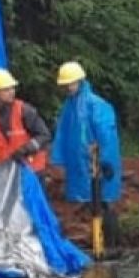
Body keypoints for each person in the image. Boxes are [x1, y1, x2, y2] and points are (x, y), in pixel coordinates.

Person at [51, 61, 122, 252]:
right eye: (65, 84)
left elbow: (106, 135)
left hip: (96, 161)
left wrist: (105, 161)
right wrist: (60, 159)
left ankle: (111, 245)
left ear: (80, 81)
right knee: (93, 203)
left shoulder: (96, 105)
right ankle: (100, 244)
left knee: (104, 202)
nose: (67, 87)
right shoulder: (70, 107)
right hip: (82, 163)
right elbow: (64, 134)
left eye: (70, 83)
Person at [0, 68, 51, 181]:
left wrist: (26, 149)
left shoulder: (25, 111)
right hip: (6, 173)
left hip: (32, 170)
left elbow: (44, 135)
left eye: (12, 88)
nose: (12, 92)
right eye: (6, 90)